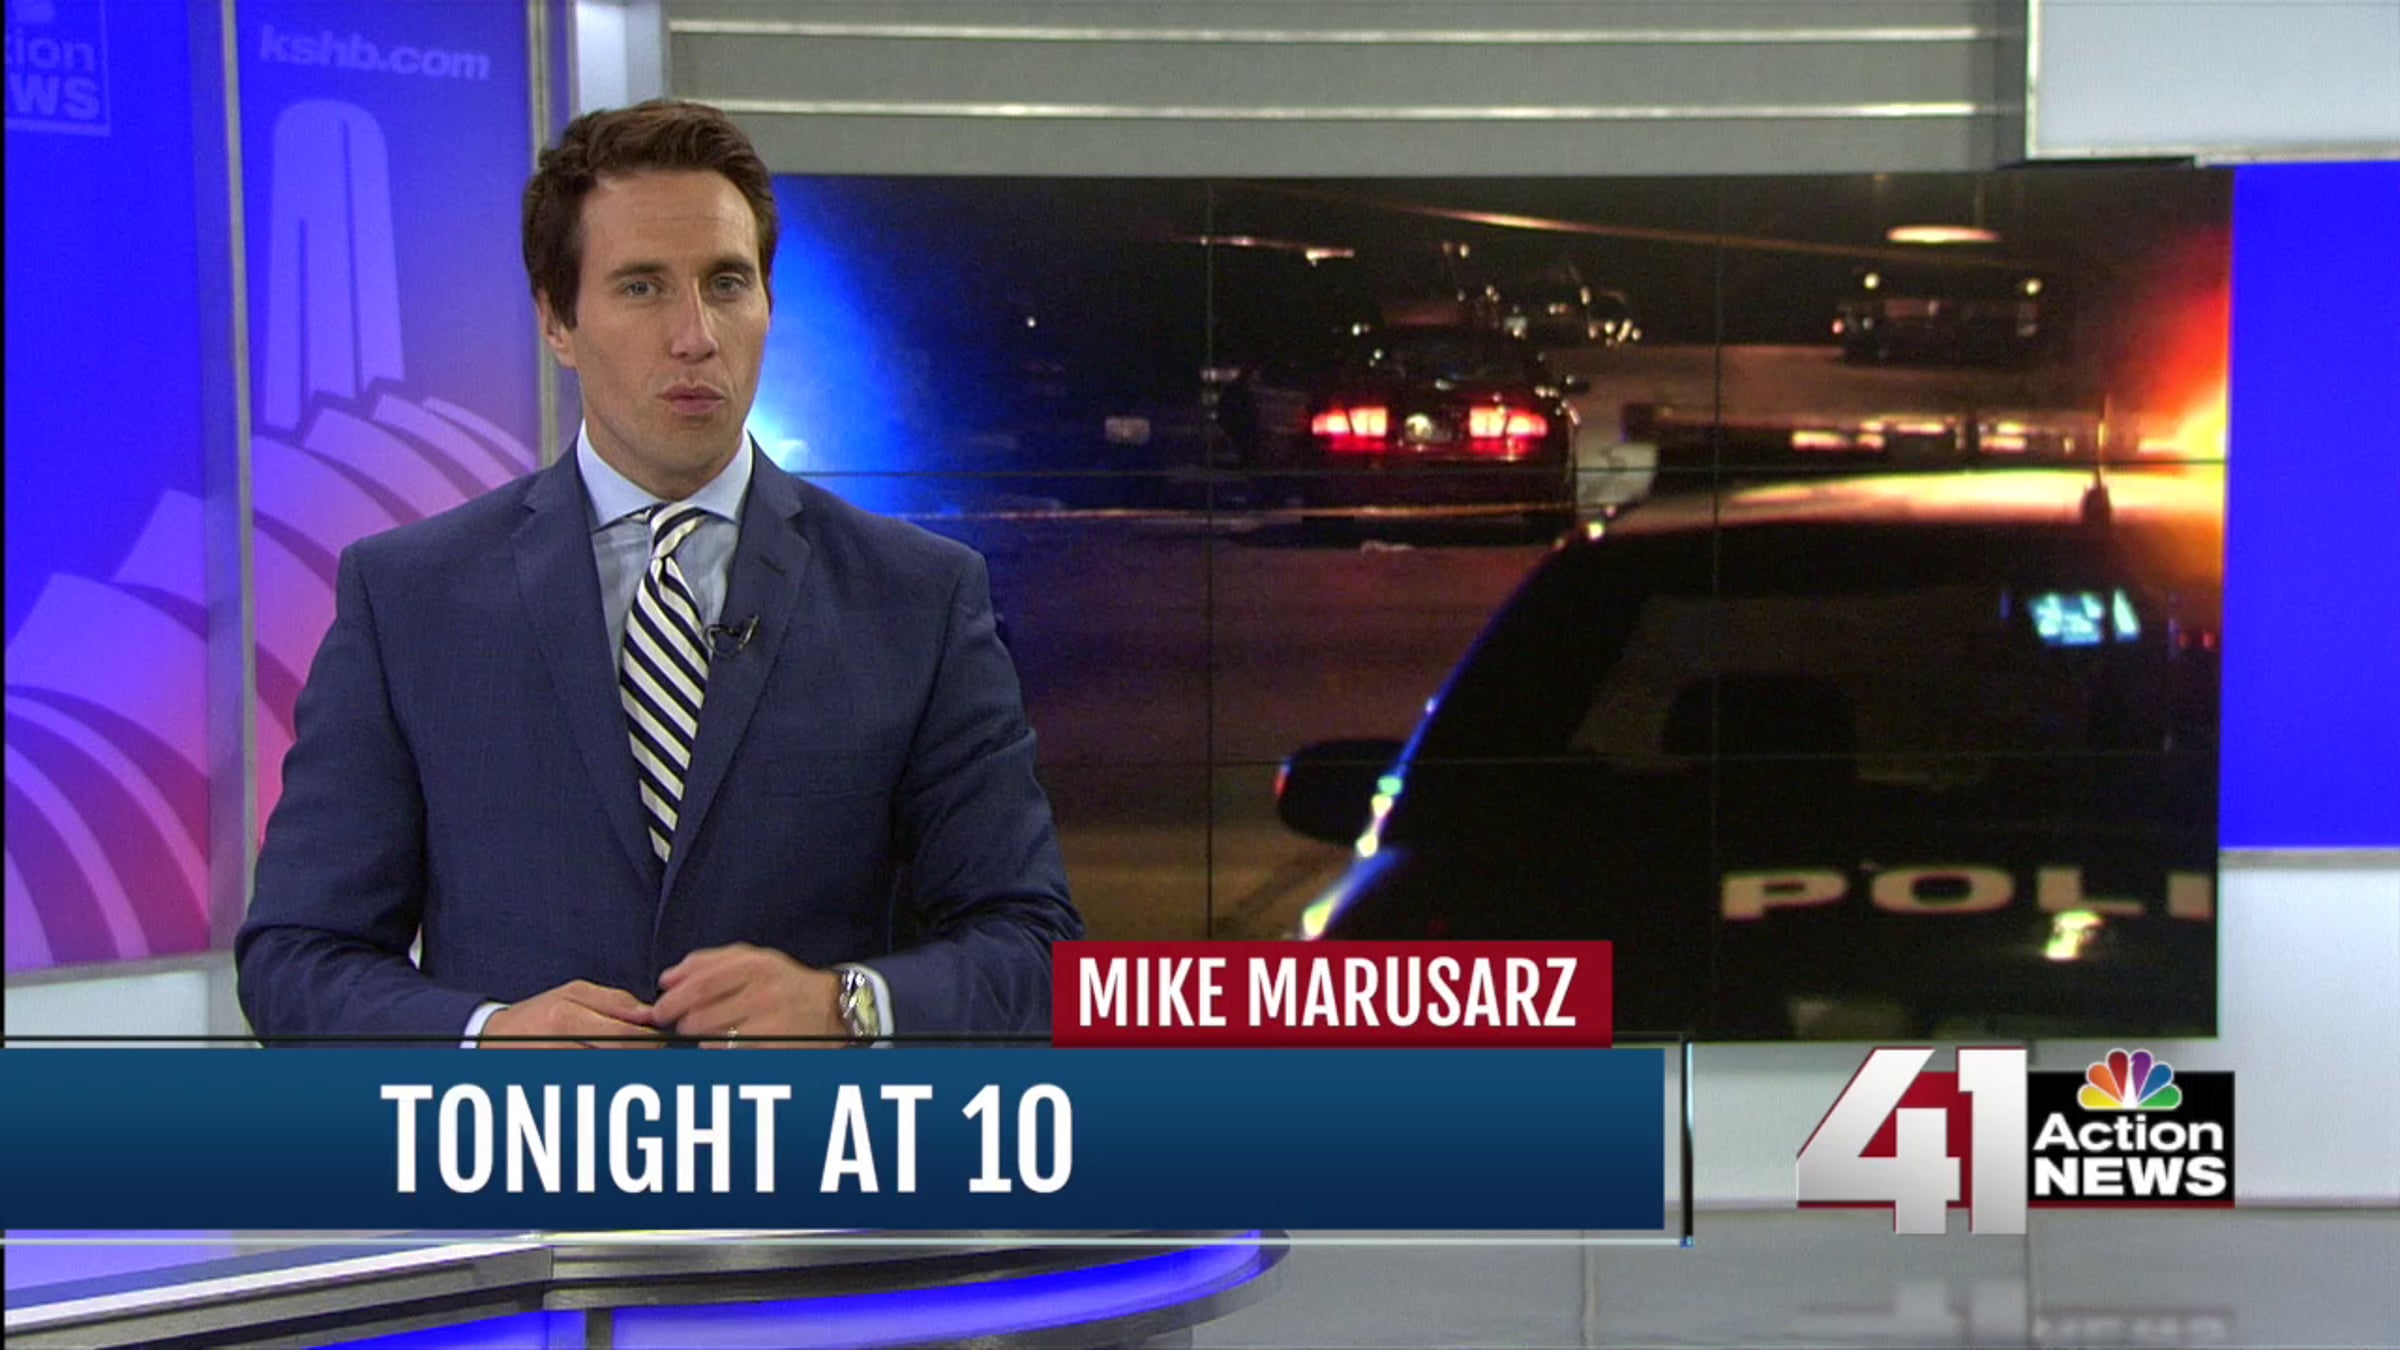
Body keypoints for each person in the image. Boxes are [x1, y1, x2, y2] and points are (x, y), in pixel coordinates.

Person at [236, 100, 1079, 1047]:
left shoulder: (919, 599)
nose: (695, 335)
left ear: (767, 303)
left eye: (726, 283)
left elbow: (1035, 947)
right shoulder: (408, 601)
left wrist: (848, 1006)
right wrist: (483, 1037)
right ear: (557, 320)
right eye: (642, 287)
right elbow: (296, 959)